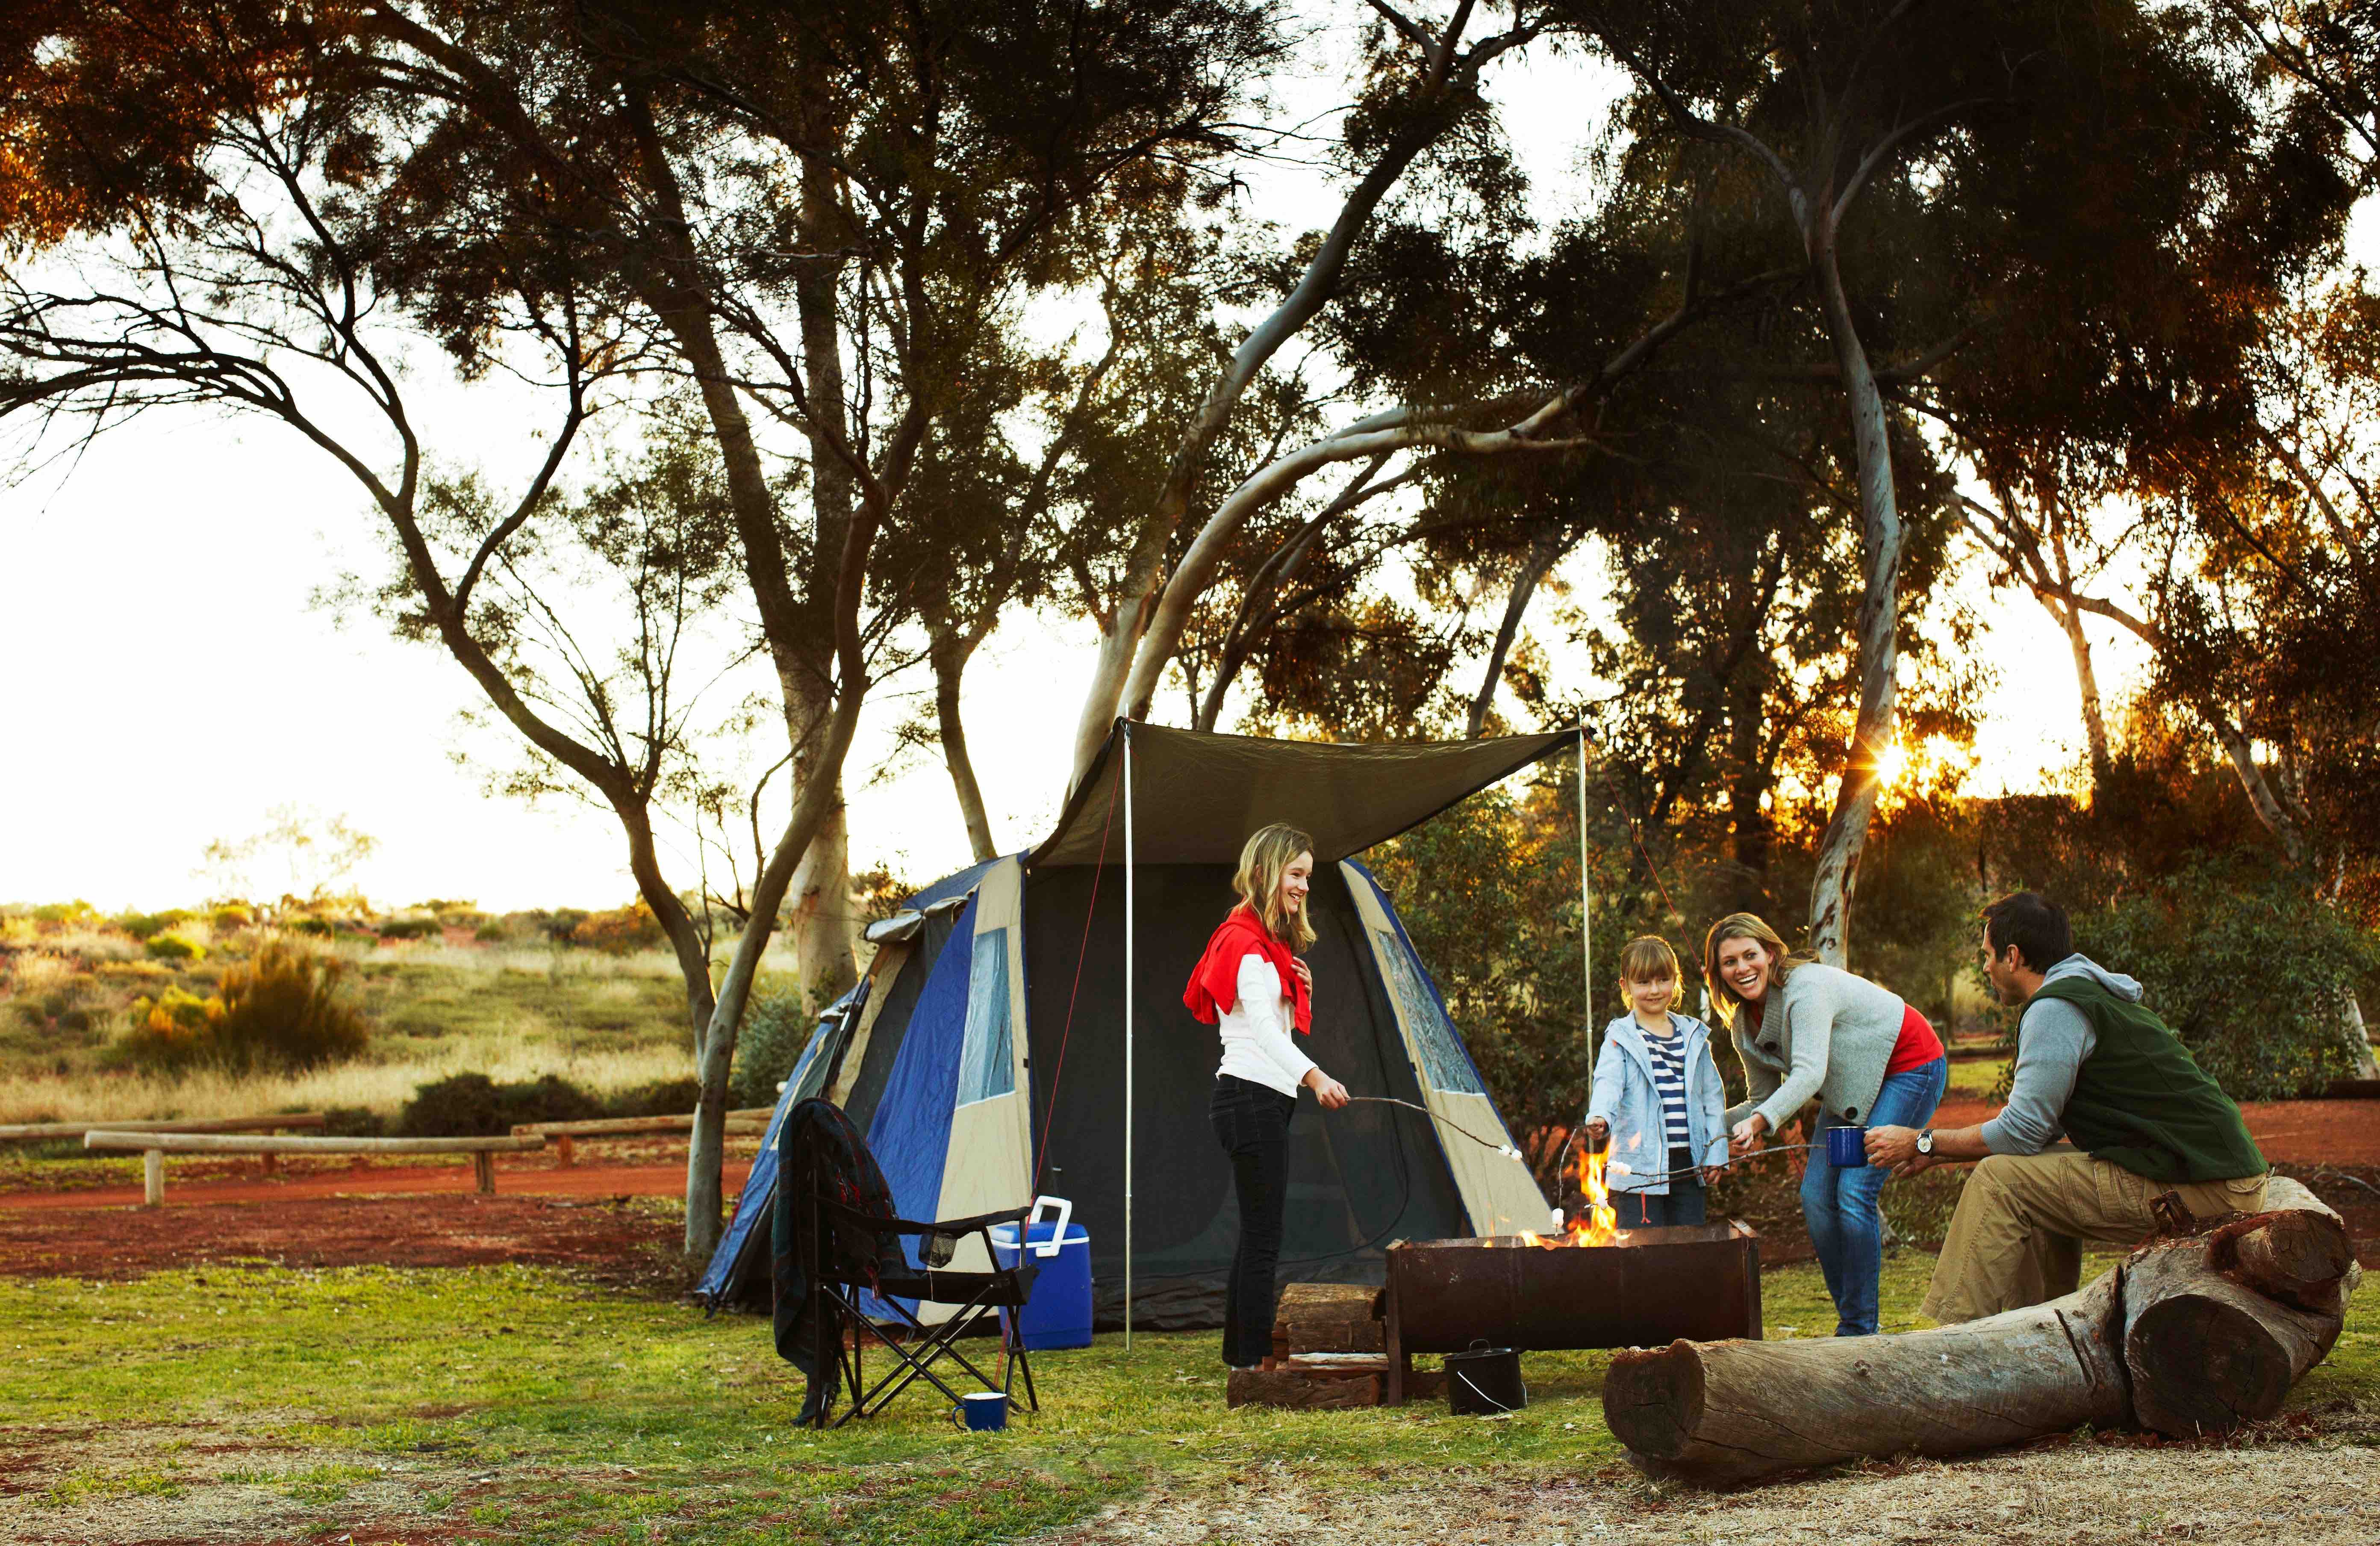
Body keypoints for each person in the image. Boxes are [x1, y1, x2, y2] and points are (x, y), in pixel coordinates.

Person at [1866, 892, 2268, 1324]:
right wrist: (1939, 1152)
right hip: (2217, 1176)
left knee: (2000, 1180)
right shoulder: (2086, 993)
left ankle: (1944, 1344)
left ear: (2013, 956)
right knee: (2023, 1170)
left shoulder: (2055, 1009)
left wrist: (1924, 1142)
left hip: (2206, 1186)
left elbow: (2019, 1130)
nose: (1984, 967)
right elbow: (2037, 1133)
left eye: (1987, 955)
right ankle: (2037, 1329)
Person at [1705, 912, 1948, 1336]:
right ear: (1717, 972)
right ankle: (1853, 1320)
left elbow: (1809, 1075)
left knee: (1854, 1192)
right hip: (1852, 1091)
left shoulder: (1806, 988)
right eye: (1730, 962)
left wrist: (1761, 1122)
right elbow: (1761, 1101)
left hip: (1910, 1067)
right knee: (1817, 1198)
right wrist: (1707, 1129)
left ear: (1771, 953)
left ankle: (1858, 1329)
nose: (1742, 968)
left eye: (1750, 955)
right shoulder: (1744, 1026)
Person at [1183, 822, 1352, 1371]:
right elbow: (1261, 1031)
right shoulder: (1245, 945)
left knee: (1257, 1235)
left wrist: (1300, 988)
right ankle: (1253, 1359)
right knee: (1263, 1238)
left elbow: (1278, 1026)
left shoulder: (1266, 948)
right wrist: (1317, 1078)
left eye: (1308, 876)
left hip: (1260, 1100)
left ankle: (1240, 1355)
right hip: (1249, 1098)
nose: (1304, 885)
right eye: (1295, 873)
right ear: (1265, 872)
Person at [1581, 936, 1727, 1227]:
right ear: (1625, 986)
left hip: (1689, 1164)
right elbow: (1607, 1081)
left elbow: (1712, 1098)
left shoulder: (1693, 1035)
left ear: (1676, 980)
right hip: (1638, 1166)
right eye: (1644, 982)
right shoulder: (1620, 1037)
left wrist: (1716, 1152)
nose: (1655, 990)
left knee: (1687, 1246)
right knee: (1642, 1250)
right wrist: (1600, 1116)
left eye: (1663, 980)